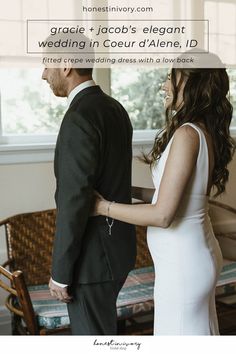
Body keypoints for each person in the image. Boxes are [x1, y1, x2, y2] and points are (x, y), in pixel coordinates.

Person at [94, 54, 235, 335]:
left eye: (172, 77)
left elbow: (162, 214)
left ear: (192, 84)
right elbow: (173, 196)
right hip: (189, 260)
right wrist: (125, 191)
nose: (164, 85)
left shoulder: (187, 134)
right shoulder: (199, 132)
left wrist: (101, 206)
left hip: (183, 266)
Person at [42, 42, 136, 334]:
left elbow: (75, 201)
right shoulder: (115, 109)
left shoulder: (79, 116)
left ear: (67, 64)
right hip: (118, 253)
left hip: (92, 262)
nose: (44, 74)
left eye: (47, 64)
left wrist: (60, 273)